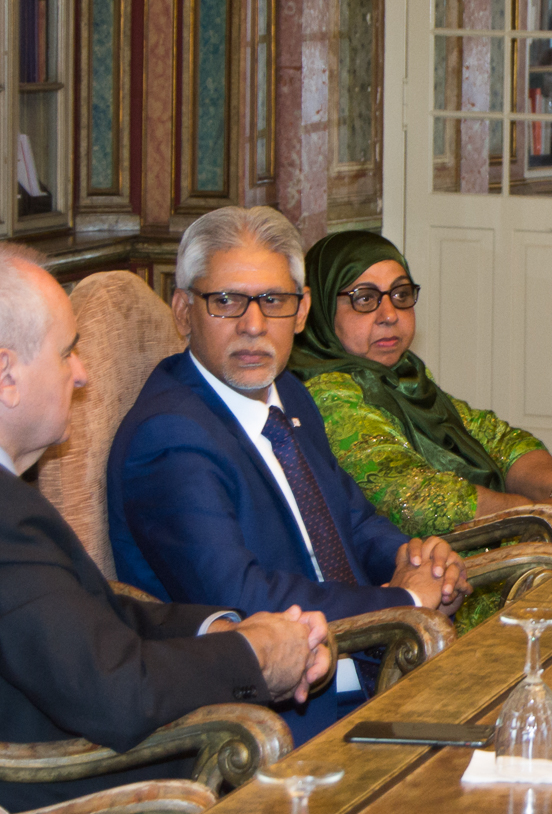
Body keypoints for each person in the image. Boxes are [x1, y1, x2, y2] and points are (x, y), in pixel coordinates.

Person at [0, 241, 330, 813]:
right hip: (76, 793)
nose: (80, 375)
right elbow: (119, 692)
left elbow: (85, 614)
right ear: (5, 375)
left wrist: (221, 629)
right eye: (67, 353)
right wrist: (254, 657)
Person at [107, 207, 467, 743]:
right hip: (283, 721)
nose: (254, 326)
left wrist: (415, 561)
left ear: (301, 313)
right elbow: (240, 594)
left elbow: (351, 517)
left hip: (376, 673)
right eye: (227, 301)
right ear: (183, 311)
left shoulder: (288, 393)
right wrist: (406, 603)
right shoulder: (169, 437)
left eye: (274, 301)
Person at [289, 230, 552, 631]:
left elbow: (498, 438)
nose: (389, 314)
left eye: (400, 294)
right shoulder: (326, 393)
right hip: (447, 587)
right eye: (365, 298)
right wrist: (534, 513)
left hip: (495, 562)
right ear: (319, 309)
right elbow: (415, 499)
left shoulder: (404, 376)